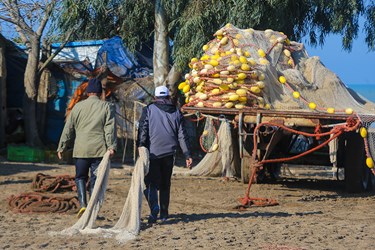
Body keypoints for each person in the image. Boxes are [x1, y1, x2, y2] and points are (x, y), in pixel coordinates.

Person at [57, 78, 117, 218]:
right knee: (96, 180)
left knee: (80, 177)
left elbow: (68, 128)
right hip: (99, 150)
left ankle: (83, 205)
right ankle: (92, 209)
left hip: (81, 149)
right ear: (99, 92)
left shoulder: (77, 107)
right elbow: (110, 129)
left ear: (87, 91)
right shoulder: (107, 107)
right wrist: (111, 146)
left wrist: (62, 146)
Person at [137, 85, 192, 224]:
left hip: (153, 153)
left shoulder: (149, 109)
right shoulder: (176, 111)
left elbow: (143, 128)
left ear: (155, 97)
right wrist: (187, 154)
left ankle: (154, 209)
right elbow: (182, 135)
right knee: (165, 184)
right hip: (169, 153)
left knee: (150, 183)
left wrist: (141, 145)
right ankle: (164, 213)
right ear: (168, 97)